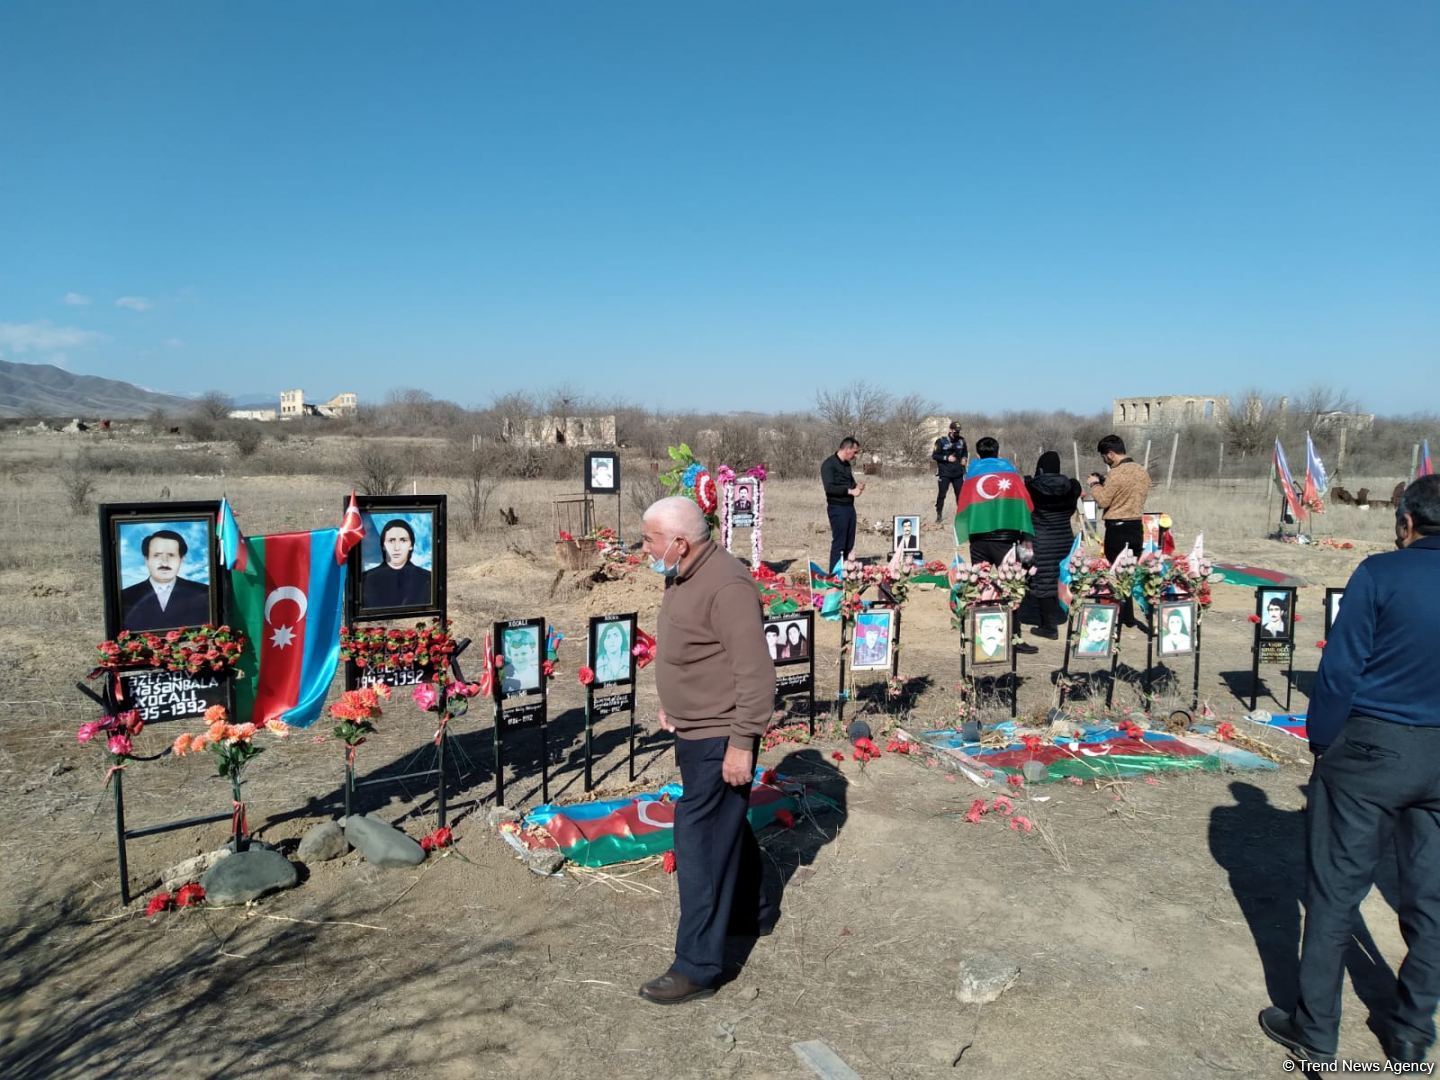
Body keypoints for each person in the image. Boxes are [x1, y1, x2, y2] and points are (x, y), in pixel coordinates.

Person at [1258, 476, 1440, 1070]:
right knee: (1433, 898)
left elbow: (1339, 670)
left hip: (1370, 749)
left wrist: (1322, 742)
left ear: (1407, 523)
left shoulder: (1381, 574)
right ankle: (1413, 1030)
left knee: (1336, 892)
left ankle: (1316, 1029)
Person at [639, 495, 777, 1005]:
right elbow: (696, 649)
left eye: (650, 539)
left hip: (720, 735)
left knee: (698, 842)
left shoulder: (728, 585)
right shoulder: (682, 571)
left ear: (679, 542)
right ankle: (753, 913)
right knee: (724, 825)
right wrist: (676, 701)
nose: (644, 548)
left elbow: (756, 674)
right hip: (694, 727)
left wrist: (742, 745)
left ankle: (698, 966)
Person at [965, 438, 1038, 655]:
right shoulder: (1010, 473)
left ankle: (982, 637)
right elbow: (1025, 506)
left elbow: (965, 504)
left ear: (978, 454)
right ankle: (1014, 638)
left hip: (978, 538)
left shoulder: (971, 474)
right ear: (998, 452)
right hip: (1005, 539)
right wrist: (1026, 541)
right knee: (1012, 588)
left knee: (980, 586)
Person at [1086, 435, 1150, 626]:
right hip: (1136, 527)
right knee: (1129, 573)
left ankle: (1126, 614)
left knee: (1119, 573)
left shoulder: (1116, 474)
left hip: (1117, 529)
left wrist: (1095, 484)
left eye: (1105, 457)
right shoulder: (1141, 471)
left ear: (1111, 454)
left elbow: (1104, 500)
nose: (1105, 461)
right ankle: (1130, 615)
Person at [1025, 451, 1082, 639]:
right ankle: (1065, 614)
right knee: (1061, 576)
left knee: (1042, 580)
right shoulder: (1072, 486)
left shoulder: (1032, 487)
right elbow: (1072, 507)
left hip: (1040, 537)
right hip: (1064, 538)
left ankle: (1049, 627)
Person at [121, 529, 210, 632]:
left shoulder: (204, 593)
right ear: (146, 559)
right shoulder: (126, 596)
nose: (164, 562)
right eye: (157, 555)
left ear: (181, 559)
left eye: (171, 555)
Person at [361, 519, 433, 609]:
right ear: (383, 545)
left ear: (411, 545)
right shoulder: (366, 580)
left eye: (403, 540)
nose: (397, 547)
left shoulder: (427, 578)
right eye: (391, 540)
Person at [821, 437, 864, 571]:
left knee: (849, 542)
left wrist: (857, 486)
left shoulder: (846, 465)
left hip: (849, 507)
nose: (855, 456)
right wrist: (850, 491)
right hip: (837, 508)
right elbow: (830, 488)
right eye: (855, 452)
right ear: (847, 449)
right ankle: (835, 573)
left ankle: (846, 570)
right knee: (839, 542)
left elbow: (850, 482)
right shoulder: (828, 464)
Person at [933, 420, 969, 523]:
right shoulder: (941, 441)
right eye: (955, 431)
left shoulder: (962, 441)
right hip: (945, 473)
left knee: (960, 495)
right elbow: (935, 455)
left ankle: (962, 517)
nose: (957, 433)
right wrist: (946, 457)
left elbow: (965, 452)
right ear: (950, 430)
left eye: (958, 431)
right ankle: (939, 515)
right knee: (942, 494)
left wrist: (964, 458)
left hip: (958, 473)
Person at [501, 629, 539, 693]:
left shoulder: (537, 672)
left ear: (532, 652)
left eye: (524, 653)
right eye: (515, 655)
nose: (520, 659)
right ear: (510, 655)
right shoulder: (504, 674)